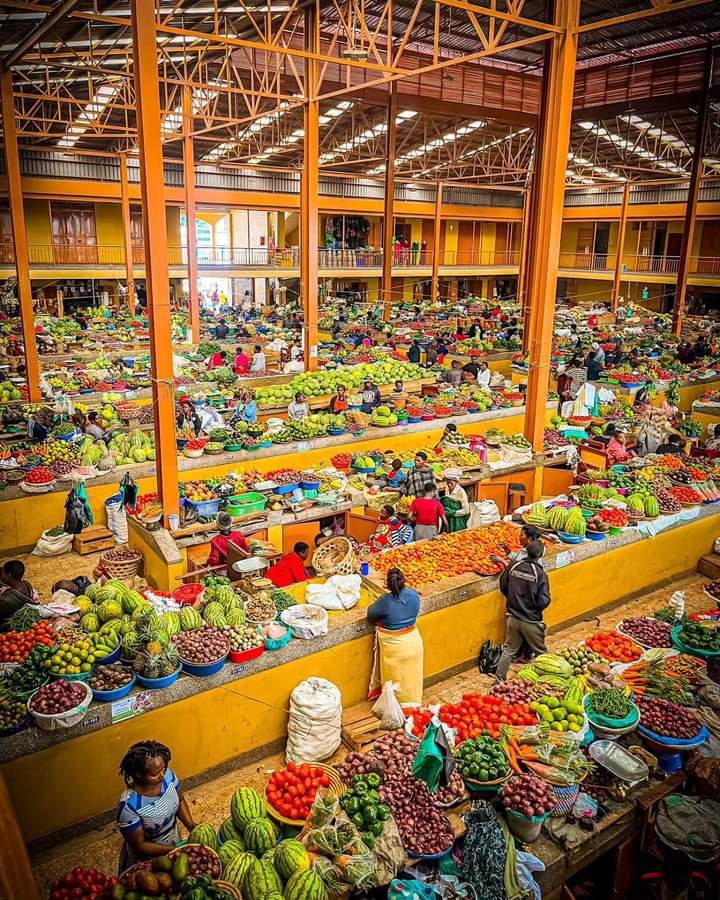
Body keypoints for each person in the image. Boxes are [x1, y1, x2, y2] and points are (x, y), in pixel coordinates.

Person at [117, 740, 196, 873]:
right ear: (138, 774)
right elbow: (140, 845)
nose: (162, 775)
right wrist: (172, 851)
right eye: (155, 774)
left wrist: (191, 826)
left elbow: (180, 800)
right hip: (149, 857)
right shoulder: (129, 806)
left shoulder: (169, 776)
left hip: (173, 839)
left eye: (163, 769)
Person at [367, 567, 423, 705]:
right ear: (404, 580)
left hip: (395, 649)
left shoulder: (385, 601)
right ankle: (412, 704)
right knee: (412, 677)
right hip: (413, 642)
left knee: (394, 681)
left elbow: (371, 615)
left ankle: (396, 707)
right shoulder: (413, 594)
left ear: (387, 584)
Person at [494, 541, 550, 681]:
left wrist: (513, 600)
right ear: (541, 555)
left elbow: (503, 584)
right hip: (531, 620)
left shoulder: (514, 566)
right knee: (542, 654)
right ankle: (547, 682)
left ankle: (499, 680)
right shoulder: (540, 573)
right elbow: (544, 600)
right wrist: (533, 609)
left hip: (512, 616)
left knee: (508, 650)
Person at [0, 560, 38, 626]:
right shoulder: (26, 584)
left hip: (10, 625)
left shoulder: (6, 601)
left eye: (3, 573)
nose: (1, 576)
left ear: (9, 575)